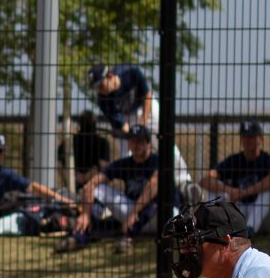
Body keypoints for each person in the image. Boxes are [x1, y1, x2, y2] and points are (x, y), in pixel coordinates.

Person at [54, 124, 181, 254]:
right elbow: (91, 184)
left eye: (139, 141)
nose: (135, 144)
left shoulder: (158, 161)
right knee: (98, 189)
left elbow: (154, 185)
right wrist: (85, 214)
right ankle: (80, 236)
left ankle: (128, 237)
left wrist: (133, 213)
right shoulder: (124, 163)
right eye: (132, 141)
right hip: (132, 218)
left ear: (148, 143)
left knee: (159, 200)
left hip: (162, 219)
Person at [198, 121, 270, 234]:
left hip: (267, 217)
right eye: (245, 137)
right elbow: (205, 180)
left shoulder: (268, 160)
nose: (248, 140)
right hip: (241, 212)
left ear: (261, 139)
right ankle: (214, 227)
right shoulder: (234, 160)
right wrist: (229, 190)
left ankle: (250, 230)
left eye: (252, 137)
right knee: (214, 188)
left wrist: (244, 192)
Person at [89, 63, 154, 133]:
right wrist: (131, 133)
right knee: (131, 140)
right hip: (127, 117)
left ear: (110, 75)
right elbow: (122, 124)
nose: (100, 90)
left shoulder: (130, 71)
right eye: (97, 87)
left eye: (101, 85)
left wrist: (142, 126)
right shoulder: (103, 101)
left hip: (146, 107)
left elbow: (147, 95)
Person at [66, 110, 110, 195]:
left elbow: (60, 161)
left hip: (75, 184)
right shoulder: (102, 142)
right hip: (95, 186)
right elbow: (104, 166)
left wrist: (75, 175)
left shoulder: (72, 141)